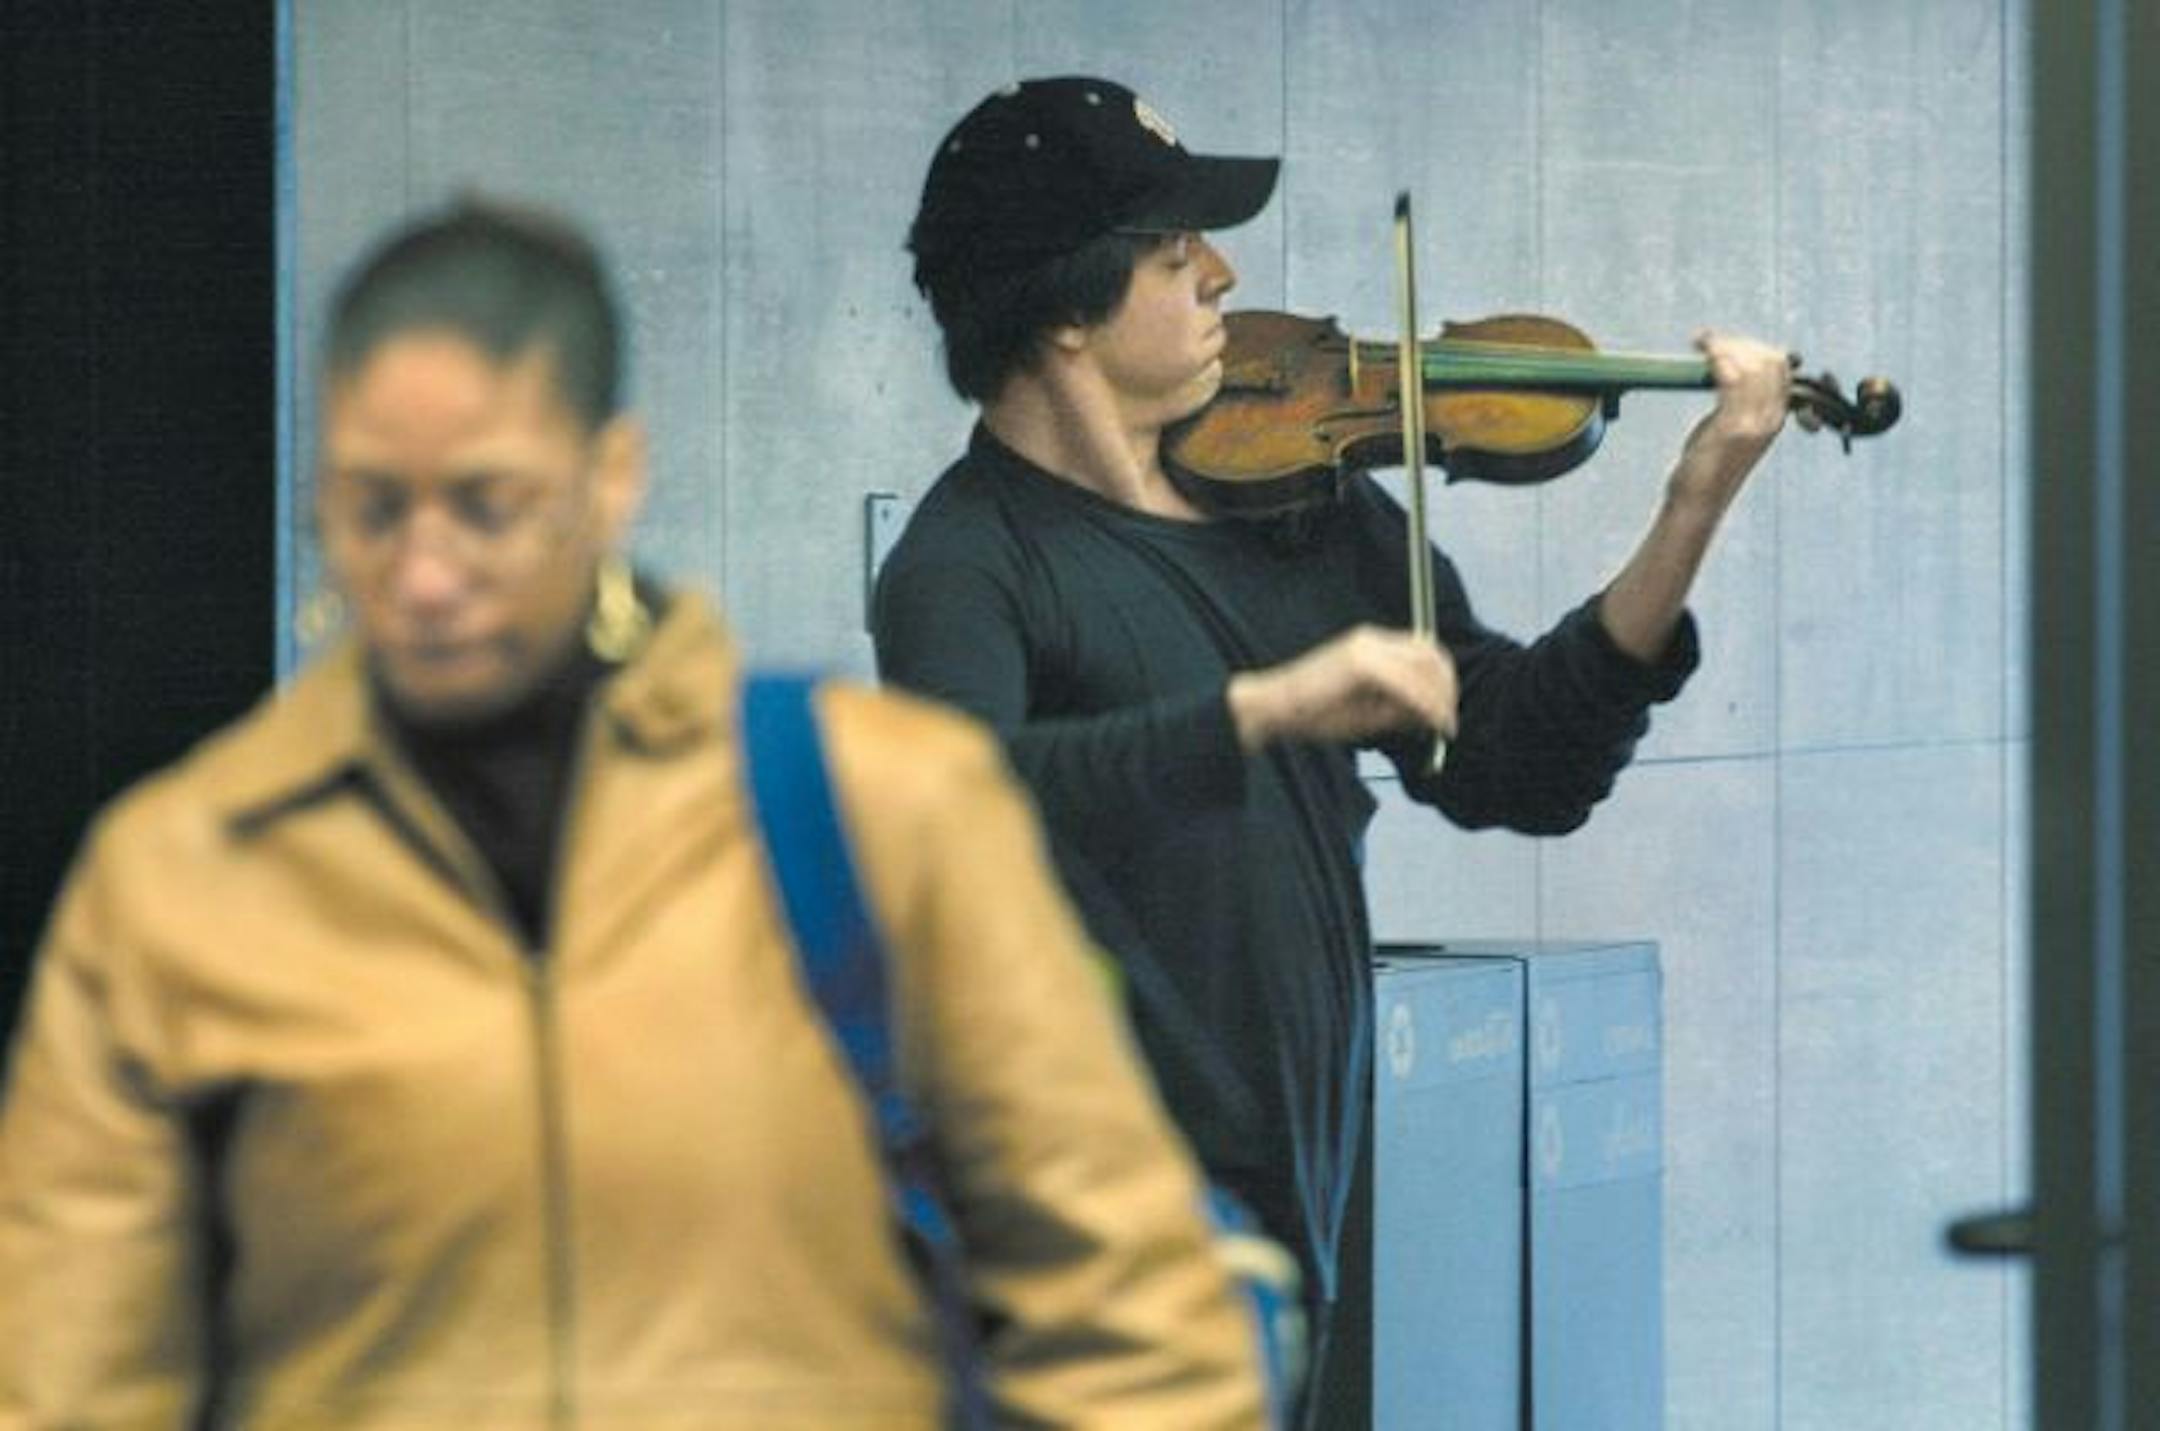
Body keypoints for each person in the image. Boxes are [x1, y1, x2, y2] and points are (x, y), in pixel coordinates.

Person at [0, 200, 1271, 1427]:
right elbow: (64, 1380)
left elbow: (1134, 1321)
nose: (426, 572)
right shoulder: (187, 878)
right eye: (375, 509)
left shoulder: (874, 814)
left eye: (487, 503)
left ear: (610, 478)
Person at [874, 76, 1794, 1425]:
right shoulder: (968, 564)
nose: (1222, 277)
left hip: (1297, 1198)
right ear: (1063, 311)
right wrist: (1264, 710)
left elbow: (1514, 766)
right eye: (1175, 255)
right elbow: (957, 806)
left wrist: (1692, 503)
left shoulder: (1306, 509)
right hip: (1077, 1250)